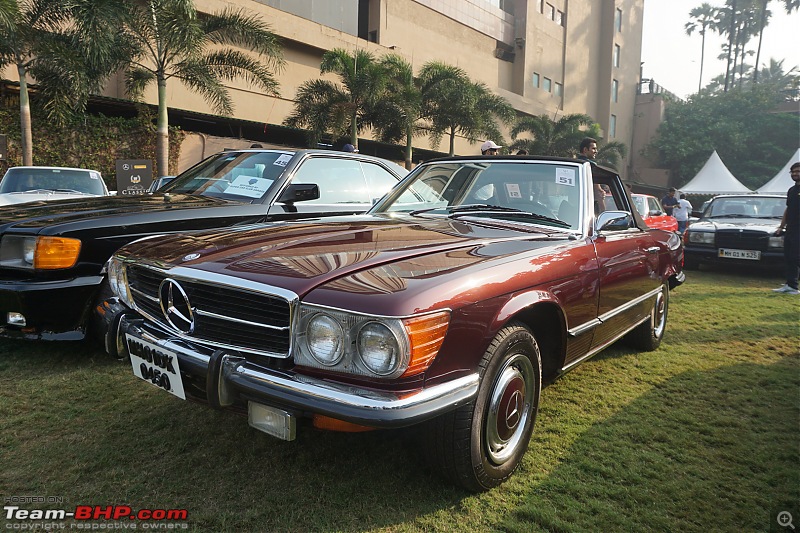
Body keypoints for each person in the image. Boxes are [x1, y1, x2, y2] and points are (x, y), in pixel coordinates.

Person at [773, 162, 800, 295]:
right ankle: (791, 286)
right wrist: (781, 227)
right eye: (793, 172)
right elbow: (788, 210)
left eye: (798, 171)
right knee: (789, 257)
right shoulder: (792, 190)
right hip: (791, 229)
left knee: (796, 257)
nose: (795, 174)